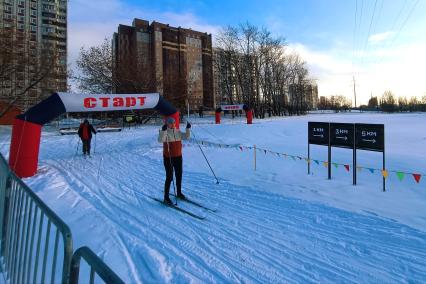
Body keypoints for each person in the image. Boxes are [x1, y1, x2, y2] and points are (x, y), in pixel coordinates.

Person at [158, 117, 191, 204]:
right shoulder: (165, 132)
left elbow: (187, 137)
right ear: (167, 124)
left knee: (179, 175)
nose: (173, 124)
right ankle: (166, 197)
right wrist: (163, 131)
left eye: (174, 123)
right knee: (169, 177)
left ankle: (179, 193)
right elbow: (160, 140)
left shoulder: (178, 132)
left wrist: (188, 128)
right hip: (168, 157)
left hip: (178, 157)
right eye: (171, 123)